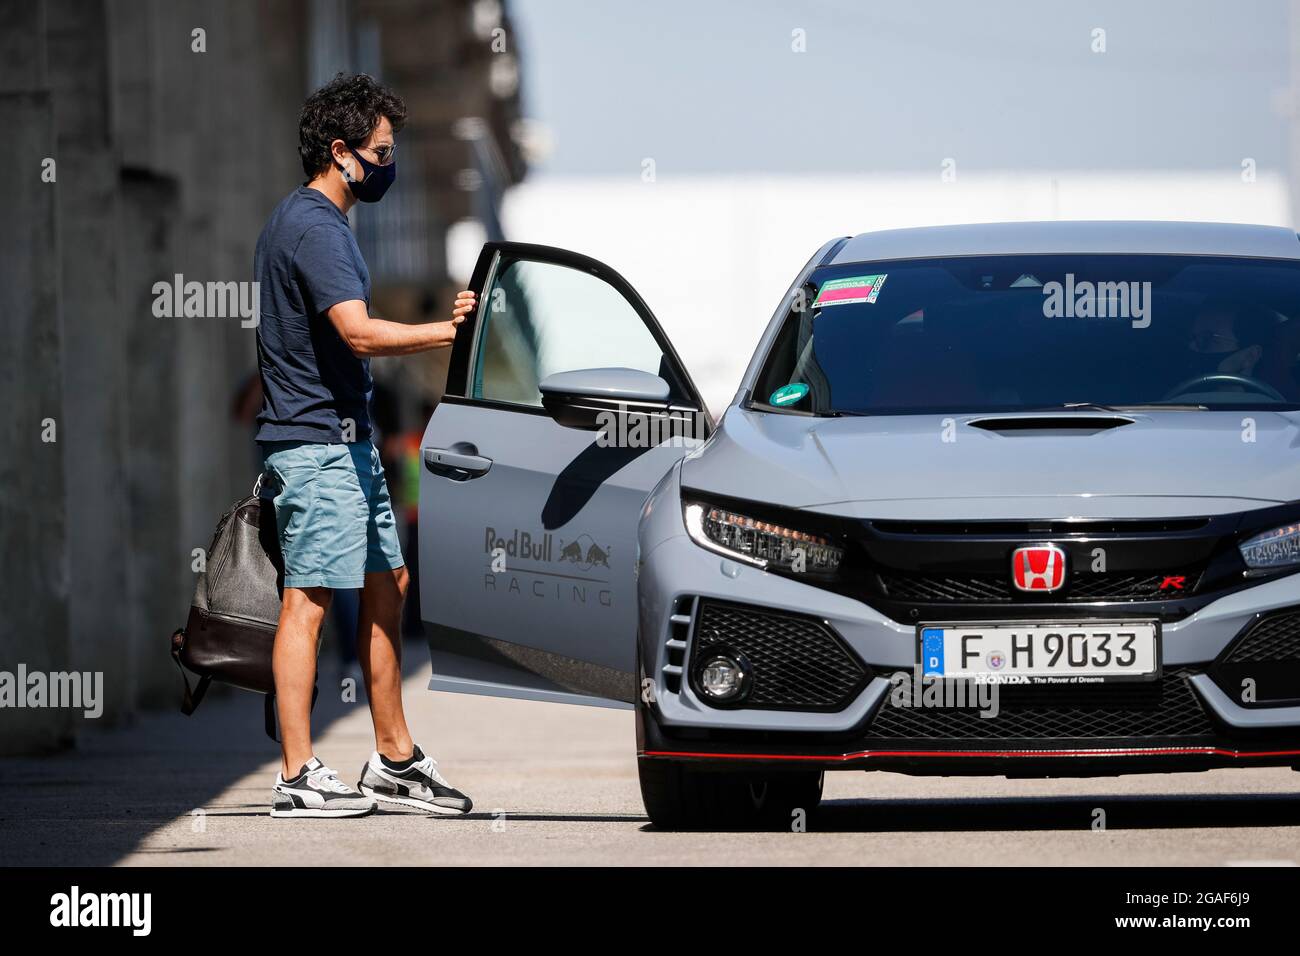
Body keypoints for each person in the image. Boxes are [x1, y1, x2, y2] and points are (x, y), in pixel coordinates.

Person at [253, 72, 477, 818]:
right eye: (382, 151)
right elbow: (357, 331)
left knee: (389, 586)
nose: (390, 165)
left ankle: (394, 760)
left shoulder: (306, 223)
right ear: (342, 151)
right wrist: (449, 333)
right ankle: (296, 773)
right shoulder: (317, 229)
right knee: (308, 603)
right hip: (316, 449)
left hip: (347, 445)